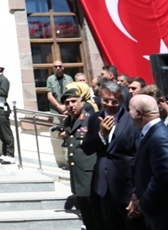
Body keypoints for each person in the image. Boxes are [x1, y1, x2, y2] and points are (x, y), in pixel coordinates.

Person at [80, 81, 143, 230]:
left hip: (126, 189)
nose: (109, 104)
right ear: (100, 97)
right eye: (105, 100)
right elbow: (87, 148)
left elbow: (139, 159)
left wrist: (137, 193)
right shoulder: (96, 118)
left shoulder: (131, 121)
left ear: (121, 101)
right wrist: (101, 135)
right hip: (103, 188)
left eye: (114, 101)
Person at [126, 94, 168, 230]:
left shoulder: (160, 137)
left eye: (130, 109)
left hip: (165, 214)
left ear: (139, 113)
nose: (128, 113)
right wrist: (136, 194)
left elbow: (163, 178)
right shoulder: (150, 133)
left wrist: (143, 204)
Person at [60, 87, 105, 230]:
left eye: (74, 101)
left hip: (90, 173)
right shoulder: (68, 121)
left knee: (96, 212)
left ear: (81, 102)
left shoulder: (89, 119)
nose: (71, 105)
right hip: (77, 175)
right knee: (86, 213)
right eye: (67, 103)